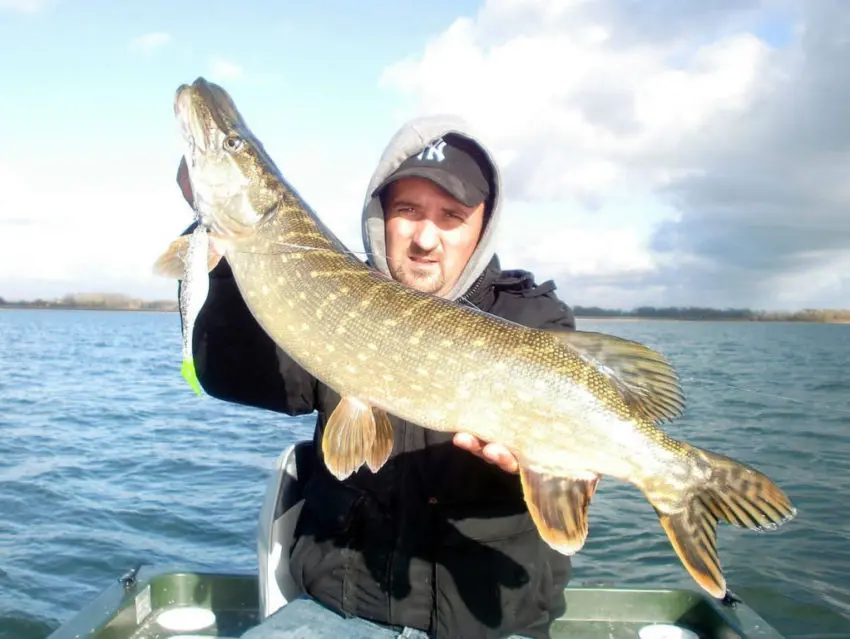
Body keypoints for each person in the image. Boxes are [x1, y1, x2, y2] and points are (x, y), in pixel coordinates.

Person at [177, 115, 578, 639]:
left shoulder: (534, 320)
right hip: (338, 615)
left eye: (451, 216)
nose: (425, 238)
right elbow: (232, 375)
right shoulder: (334, 296)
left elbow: (580, 445)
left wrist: (563, 471)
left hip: (491, 623)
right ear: (380, 216)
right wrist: (226, 259)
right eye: (408, 211)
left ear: (483, 225)